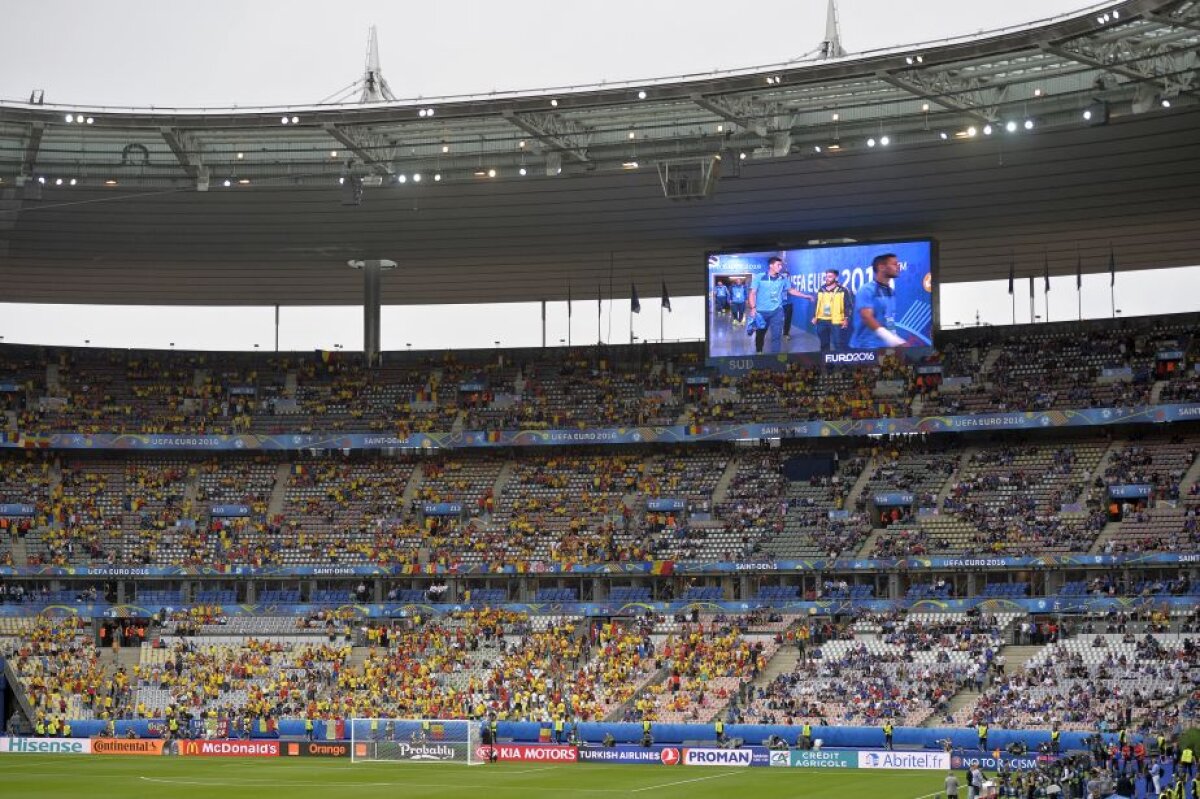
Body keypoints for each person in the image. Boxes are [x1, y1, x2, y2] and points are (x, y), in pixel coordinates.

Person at [748, 257, 813, 354]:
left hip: (777, 311)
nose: (781, 267)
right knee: (760, 334)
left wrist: (805, 296)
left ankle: (775, 356)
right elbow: (752, 293)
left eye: (781, 265)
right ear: (771, 265)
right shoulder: (760, 277)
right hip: (761, 312)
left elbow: (791, 290)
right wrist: (753, 307)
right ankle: (759, 351)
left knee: (776, 336)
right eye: (778, 265)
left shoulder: (783, 278)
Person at [849, 253, 907, 349]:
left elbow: (888, 319)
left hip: (885, 348)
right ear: (881, 267)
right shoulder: (866, 290)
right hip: (865, 348)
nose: (898, 267)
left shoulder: (891, 291)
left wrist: (894, 338)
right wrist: (892, 339)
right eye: (894, 264)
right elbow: (866, 316)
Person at [812, 269, 853, 351]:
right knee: (824, 344)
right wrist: (814, 317)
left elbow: (848, 306)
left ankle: (840, 363)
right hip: (822, 321)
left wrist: (846, 319)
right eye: (826, 276)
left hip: (836, 321)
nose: (827, 278)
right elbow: (817, 304)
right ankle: (826, 363)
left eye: (830, 277)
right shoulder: (821, 289)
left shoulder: (843, 290)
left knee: (838, 344)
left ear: (836, 278)